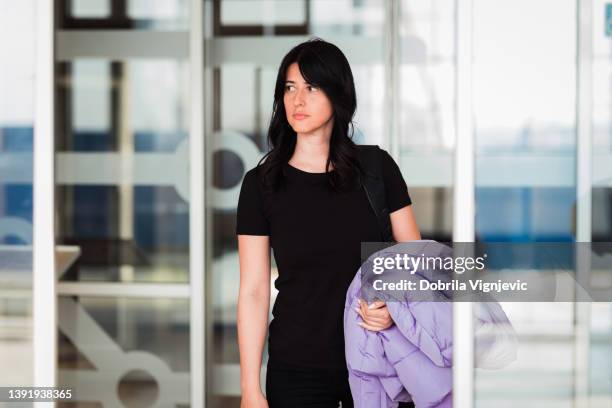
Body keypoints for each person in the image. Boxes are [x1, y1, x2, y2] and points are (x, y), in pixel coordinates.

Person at [236, 38, 421, 408]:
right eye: (289, 88)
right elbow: (254, 290)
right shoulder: (261, 184)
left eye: (311, 87)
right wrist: (249, 388)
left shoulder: (377, 169)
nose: (297, 100)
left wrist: (393, 307)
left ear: (338, 95)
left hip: (376, 360)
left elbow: (415, 264)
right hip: (296, 367)